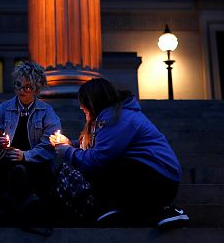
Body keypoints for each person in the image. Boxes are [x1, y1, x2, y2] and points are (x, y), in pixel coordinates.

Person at [50, 77, 190, 228]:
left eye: (83, 101)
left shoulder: (120, 119)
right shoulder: (110, 117)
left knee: (102, 168)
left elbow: (97, 159)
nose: (80, 107)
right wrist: (70, 144)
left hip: (159, 181)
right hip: (149, 175)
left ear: (93, 101)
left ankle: (162, 210)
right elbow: (100, 148)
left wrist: (67, 151)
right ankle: (117, 208)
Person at [0, 60, 61, 221]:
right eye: (18, 85)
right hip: (7, 160)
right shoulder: (5, 108)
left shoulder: (46, 111)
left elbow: (49, 144)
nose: (21, 90)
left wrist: (25, 155)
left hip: (36, 162)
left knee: (32, 171)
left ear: (36, 89)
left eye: (27, 87)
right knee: (8, 168)